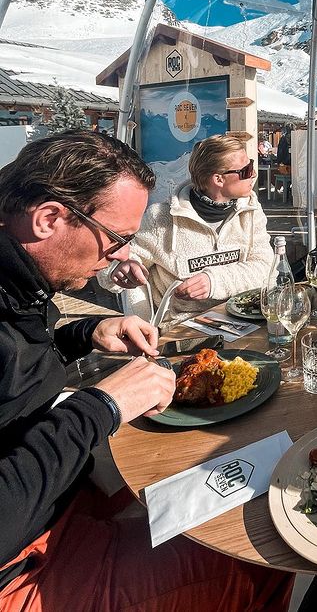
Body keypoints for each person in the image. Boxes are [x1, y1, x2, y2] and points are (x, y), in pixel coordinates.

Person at [0, 130, 292, 611]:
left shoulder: (20, 285)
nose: (121, 258)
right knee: (259, 553)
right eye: (117, 240)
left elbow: (15, 369)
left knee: (238, 491)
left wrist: (83, 334)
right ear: (48, 218)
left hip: (67, 495)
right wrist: (102, 406)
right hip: (24, 565)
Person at [100, 134, 273, 318]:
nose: (253, 174)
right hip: (180, 331)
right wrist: (119, 270)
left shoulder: (251, 210)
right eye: (245, 170)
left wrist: (215, 281)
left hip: (242, 321)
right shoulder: (161, 219)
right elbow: (112, 261)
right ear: (219, 179)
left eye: (251, 164)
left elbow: (266, 267)